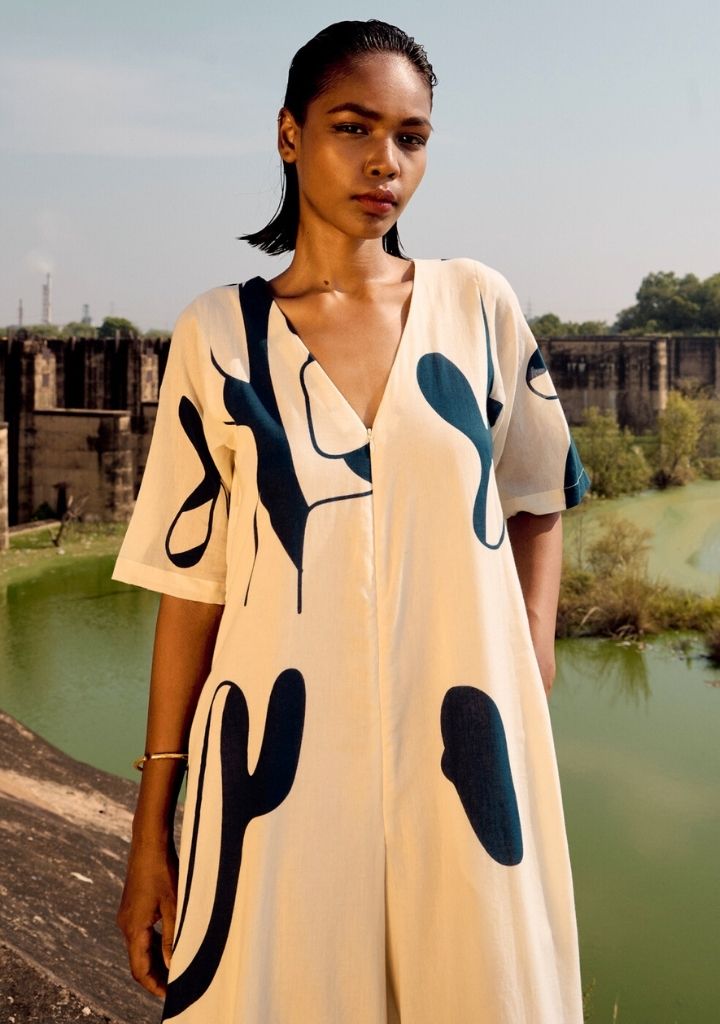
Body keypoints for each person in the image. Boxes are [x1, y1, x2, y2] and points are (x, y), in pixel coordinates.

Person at [113, 19, 589, 1023]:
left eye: (411, 137)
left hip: (467, 752)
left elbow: (539, 490)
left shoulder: (478, 306)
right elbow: (191, 588)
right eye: (353, 127)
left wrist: (533, 646)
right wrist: (153, 824)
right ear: (290, 135)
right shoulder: (218, 334)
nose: (386, 161)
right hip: (276, 768)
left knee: (482, 988)